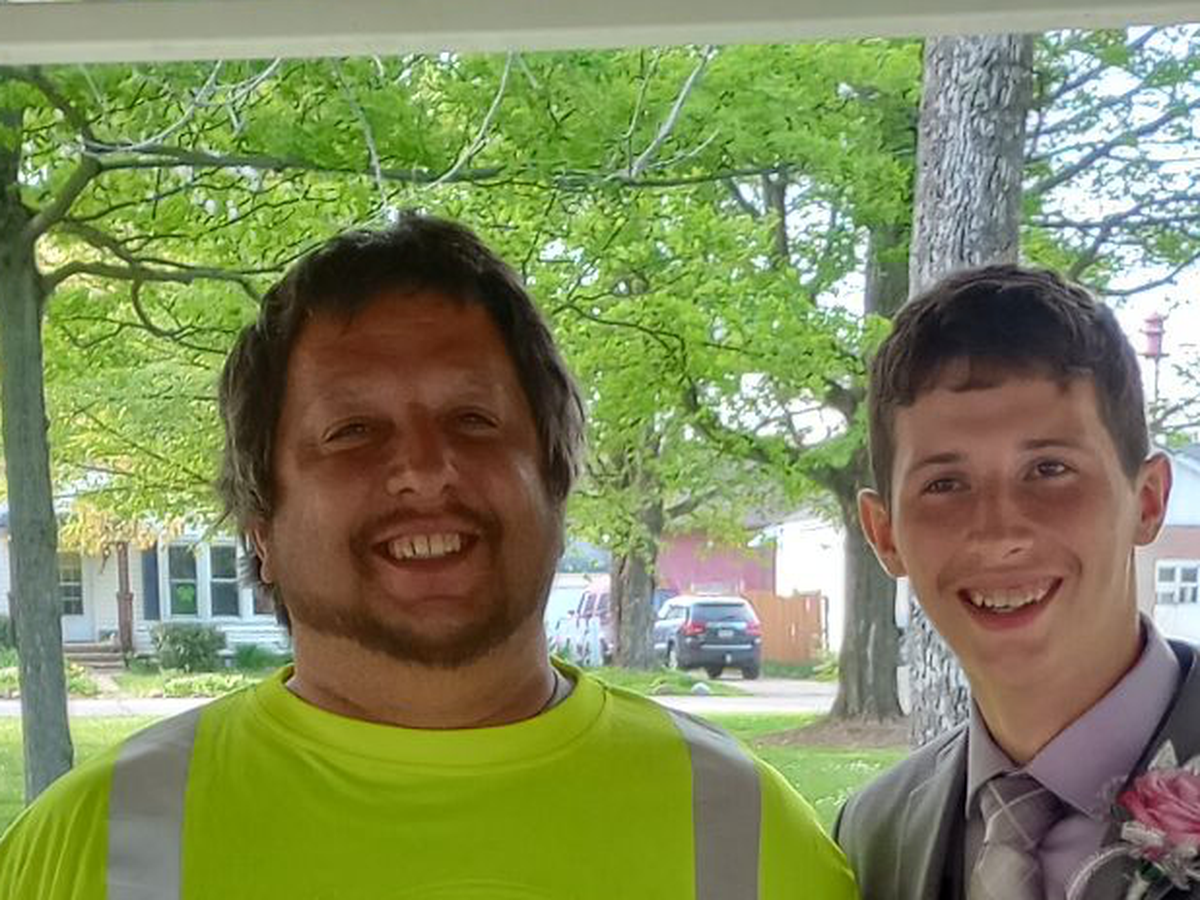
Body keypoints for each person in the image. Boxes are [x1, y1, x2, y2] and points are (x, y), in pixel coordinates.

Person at [0, 213, 857, 899]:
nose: (423, 468)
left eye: (473, 420)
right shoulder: (86, 850)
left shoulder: (749, 836)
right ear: (261, 523)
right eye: (351, 431)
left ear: (554, 483)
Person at [835, 265, 1198, 900]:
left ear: (1147, 500)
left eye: (1049, 469)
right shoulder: (872, 836)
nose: (998, 532)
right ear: (884, 535)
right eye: (945, 484)